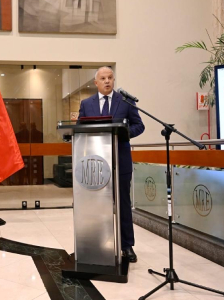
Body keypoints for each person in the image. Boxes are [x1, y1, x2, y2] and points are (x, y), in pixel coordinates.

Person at [78, 66, 145, 263]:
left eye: (110, 78)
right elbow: (81, 129)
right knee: (97, 205)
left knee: (123, 203)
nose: (107, 81)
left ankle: (127, 246)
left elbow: (139, 125)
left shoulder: (125, 101)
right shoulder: (86, 104)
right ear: (96, 82)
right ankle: (97, 242)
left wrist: (124, 133)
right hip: (96, 164)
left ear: (113, 80)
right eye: (103, 78)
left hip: (121, 161)